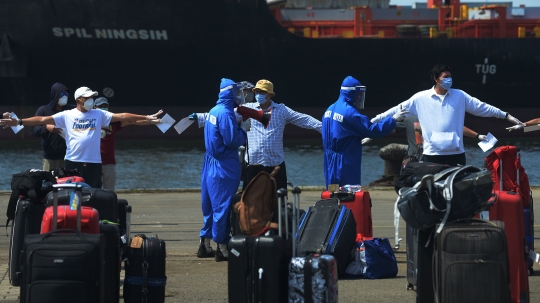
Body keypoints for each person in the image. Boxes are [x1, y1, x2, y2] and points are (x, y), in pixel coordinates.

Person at [1, 86, 163, 188]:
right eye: (88, 98)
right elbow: (42, 120)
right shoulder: (67, 115)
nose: (91, 101)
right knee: (72, 192)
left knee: (94, 191)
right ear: (79, 100)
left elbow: (122, 116)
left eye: (92, 98)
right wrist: (18, 121)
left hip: (93, 162)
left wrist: (147, 117)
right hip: (72, 160)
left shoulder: (99, 114)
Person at [370, 64, 523, 167]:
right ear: (436, 79)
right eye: (445, 77)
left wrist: (505, 115)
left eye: (450, 76)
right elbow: (396, 109)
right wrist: (375, 120)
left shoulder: (460, 96)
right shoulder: (420, 98)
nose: (449, 79)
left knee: (459, 192)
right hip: (432, 154)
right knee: (433, 192)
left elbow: (481, 107)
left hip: (456, 153)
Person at [322, 76, 405, 189]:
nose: (359, 97)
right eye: (357, 94)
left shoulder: (329, 109)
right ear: (350, 93)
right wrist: (393, 120)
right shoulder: (349, 112)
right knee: (349, 195)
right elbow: (372, 131)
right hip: (346, 161)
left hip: (329, 160)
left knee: (332, 194)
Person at [240, 79, 322, 192]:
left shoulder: (281, 110)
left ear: (270, 94)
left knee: (279, 202)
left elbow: (303, 119)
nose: (258, 94)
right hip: (254, 163)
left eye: (262, 92)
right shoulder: (247, 108)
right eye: (257, 92)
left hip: (275, 164)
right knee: (250, 203)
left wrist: (324, 128)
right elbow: (226, 115)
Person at [197, 78, 247, 262]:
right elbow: (232, 141)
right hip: (224, 164)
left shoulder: (213, 111)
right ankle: (223, 247)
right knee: (223, 206)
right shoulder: (226, 114)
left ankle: (205, 243)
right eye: (237, 92)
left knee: (209, 203)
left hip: (209, 161)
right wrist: (243, 131)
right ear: (231, 93)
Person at [94, 97, 160, 191]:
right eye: (101, 106)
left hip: (109, 162)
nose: (103, 108)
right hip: (93, 161)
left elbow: (132, 121)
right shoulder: (90, 121)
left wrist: (151, 121)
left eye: (105, 106)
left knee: (109, 190)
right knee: (93, 189)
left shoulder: (113, 122)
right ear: (95, 107)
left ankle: (108, 205)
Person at [362, 116, 489, 164]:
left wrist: (371, 135)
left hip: (420, 160)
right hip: (430, 159)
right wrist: (478, 136)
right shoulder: (435, 118)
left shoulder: (410, 119)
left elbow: (390, 129)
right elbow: (459, 128)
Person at [30, 83, 74, 171]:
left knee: (69, 182)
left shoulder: (72, 110)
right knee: (49, 182)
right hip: (50, 158)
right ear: (55, 95)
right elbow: (34, 130)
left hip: (69, 156)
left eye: (66, 94)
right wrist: (46, 127)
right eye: (62, 94)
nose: (64, 96)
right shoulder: (43, 110)